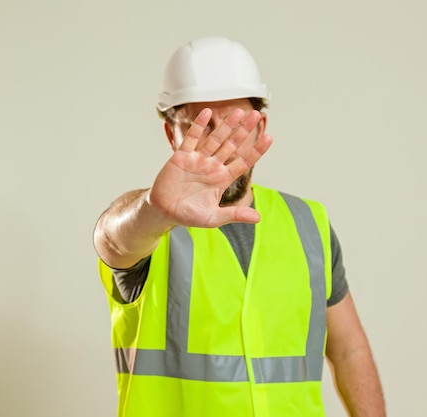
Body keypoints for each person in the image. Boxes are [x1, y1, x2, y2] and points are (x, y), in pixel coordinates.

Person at [93, 36, 385, 417]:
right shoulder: (150, 225)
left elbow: (349, 350)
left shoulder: (308, 223)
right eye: (202, 126)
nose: (219, 142)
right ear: (171, 134)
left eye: (233, 124)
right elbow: (113, 241)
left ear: (260, 126)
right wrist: (154, 209)